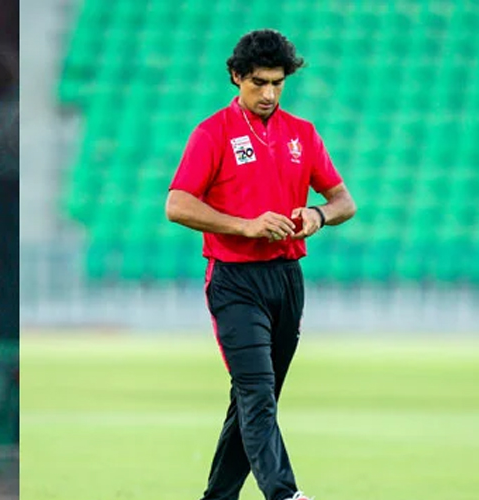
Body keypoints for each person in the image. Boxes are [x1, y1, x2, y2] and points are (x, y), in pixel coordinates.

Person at [165, 29, 357, 500]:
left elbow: (344, 201)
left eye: (277, 83)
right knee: (257, 392)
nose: (269, 94)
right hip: (234, 279)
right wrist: (245, 226)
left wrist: (317, 215)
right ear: (236, 76)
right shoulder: (212, 133)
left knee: (254, 400)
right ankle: (284, 493)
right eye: (258, 82)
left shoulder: (302, 134)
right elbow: (177, 204)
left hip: (286, 279)